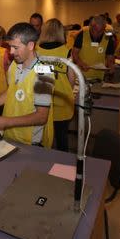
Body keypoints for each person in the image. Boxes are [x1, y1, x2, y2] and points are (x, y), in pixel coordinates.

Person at [0, 23, 54, 148]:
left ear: (30, 45)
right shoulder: (15, 64)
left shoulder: (44, 72)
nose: (11, 52)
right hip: (10, 136)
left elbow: (42, 117)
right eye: (10, 47)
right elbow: (12, 91)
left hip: (30, 142)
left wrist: (5, 122)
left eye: (15, 47)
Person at [37, 19, 75, 152]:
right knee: (61, 138)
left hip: (41, 101)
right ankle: (63, 168)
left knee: (42, 138)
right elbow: (71, 79)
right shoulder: (66, 51)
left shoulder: (36, 50)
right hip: (62, 101)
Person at [72, 15, 115, 81]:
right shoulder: (82, 35)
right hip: (80, 76)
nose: (97, 34)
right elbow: (74, 54)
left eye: (100, 31)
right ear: (90, 27)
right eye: (94, 30)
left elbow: (110, 59)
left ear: (104, 27)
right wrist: (80, 63)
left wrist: (110, 69)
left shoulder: (108, 38)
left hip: (98, 77)